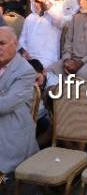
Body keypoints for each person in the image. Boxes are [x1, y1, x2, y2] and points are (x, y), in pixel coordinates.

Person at [0, 26, 38, 177]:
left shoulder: (25, 71)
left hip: (10, 133)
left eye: (2, 43)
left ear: (15, 44)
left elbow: (5, 105)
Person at [18, 0, 62, 69]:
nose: (36, 4)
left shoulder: (53, 16)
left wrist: (46, 2)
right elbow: (22, 39)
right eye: (35, 1)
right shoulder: (30, 18)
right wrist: (24, 52)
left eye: (39, 2)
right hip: (29, 57)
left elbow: (61, 20)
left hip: (48, 60)